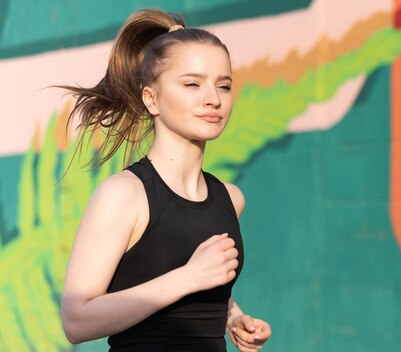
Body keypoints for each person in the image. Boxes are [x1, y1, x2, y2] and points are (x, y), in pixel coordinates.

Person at [59, 9, 271, 351]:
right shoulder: (124, 194)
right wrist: (187, 277)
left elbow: (202, 295)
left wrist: (234, 318)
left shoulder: (231, 199)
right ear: (151, 98)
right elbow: (76, 321)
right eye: (192, 83)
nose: (213, 99)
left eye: (224, 85)